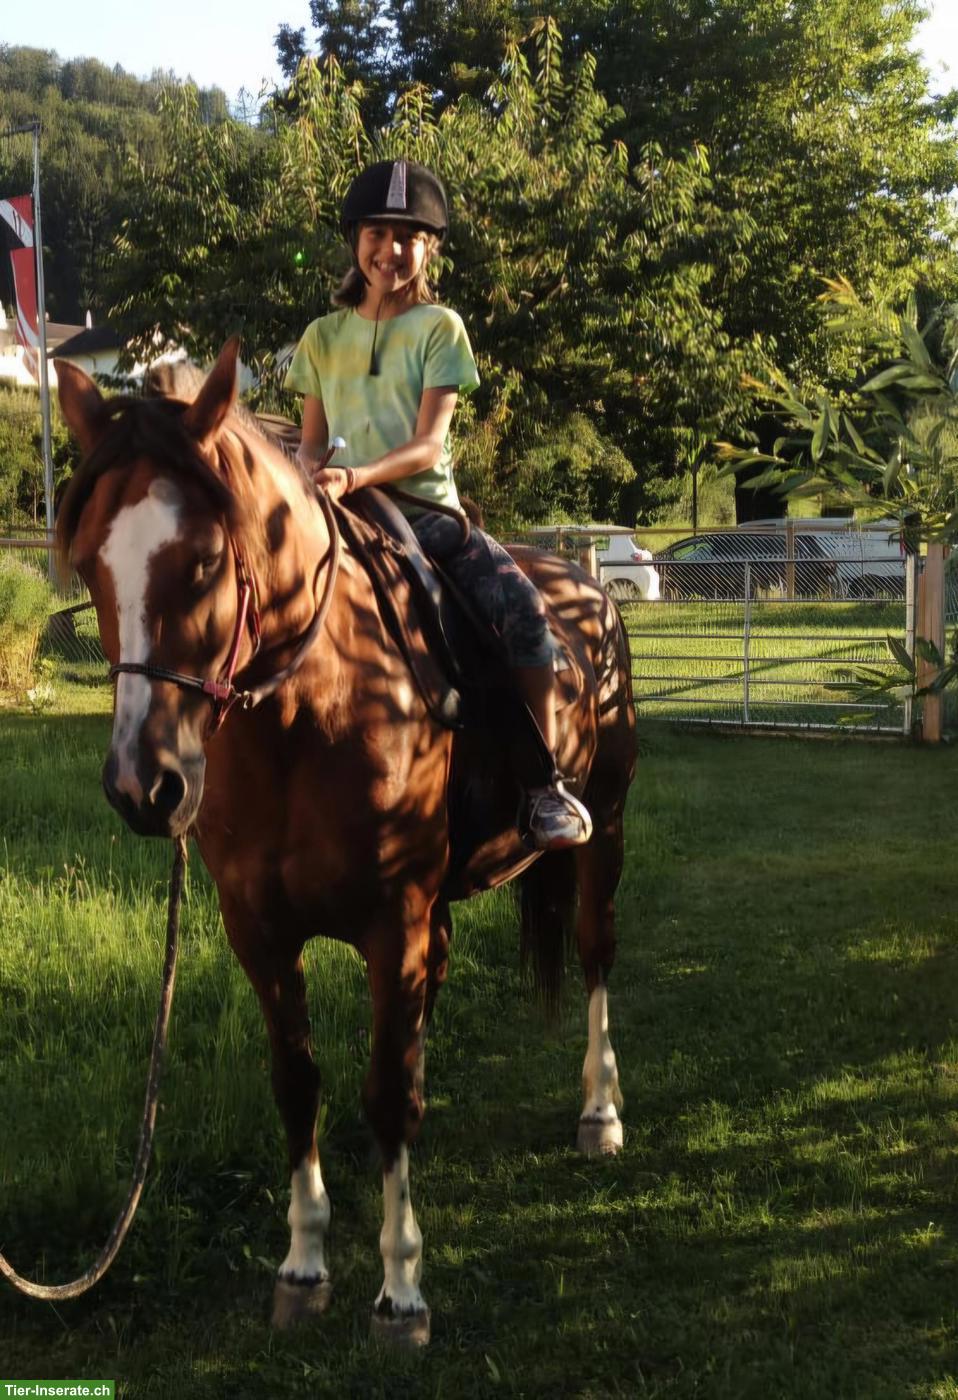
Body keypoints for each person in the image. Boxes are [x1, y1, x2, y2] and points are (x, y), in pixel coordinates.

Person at [284, 158, 592, 851]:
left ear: (429, 250)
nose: (390, 250)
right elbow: (310, 444)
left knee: (522, 609)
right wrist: (307, 478)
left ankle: (544, 784)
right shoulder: (321, 337)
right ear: (355, 240)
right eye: (377, 233)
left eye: (408, 237)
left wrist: (356, 476)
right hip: (340, 516)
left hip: (426, 518)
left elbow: (427, 446)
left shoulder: (439, 327)